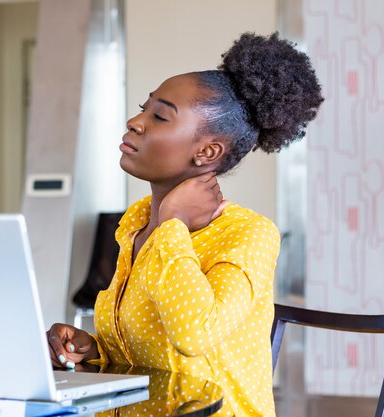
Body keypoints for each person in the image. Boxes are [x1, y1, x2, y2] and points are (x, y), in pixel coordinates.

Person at [46, 32, 323, 417]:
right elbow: (150, 350)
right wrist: (93, 350)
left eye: (159, 116)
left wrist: (172, 224)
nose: (135, 121)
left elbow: (193, 334)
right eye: (144, 109)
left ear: (207, 152)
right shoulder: (136, 224)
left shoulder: (248, 234)